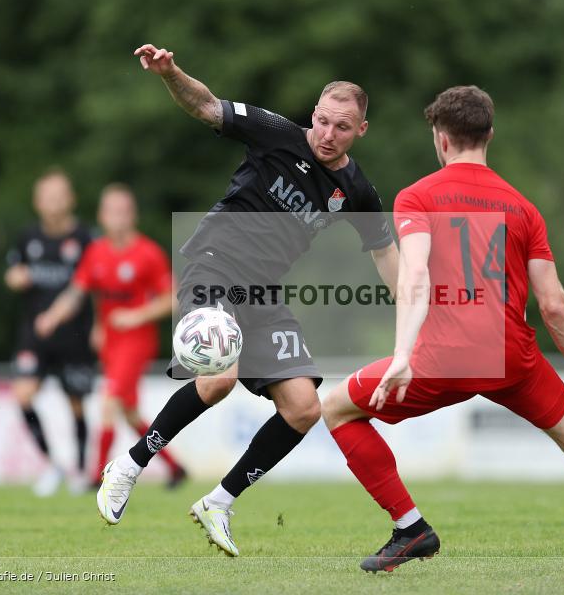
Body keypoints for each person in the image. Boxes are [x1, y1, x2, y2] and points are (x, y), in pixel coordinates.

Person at [322, 86, 564, 573]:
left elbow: (415, 276)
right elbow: (553, 303)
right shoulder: (522, 207)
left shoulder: (417, 196)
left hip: (442, 361)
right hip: (512, 360)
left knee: (336, 408)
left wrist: (403, 353)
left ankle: (411, 528)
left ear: (441, 139)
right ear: (489, 134)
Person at [94, 44, 399, 557]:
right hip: (213, 262)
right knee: (218, 376)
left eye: (341, 127)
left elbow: (385, 254)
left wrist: (418, 310)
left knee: (304, 407)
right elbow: (206, 105)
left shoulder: (357, 189)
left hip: (262, 291)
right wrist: (171, 73)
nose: (327, 134)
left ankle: (219, 501)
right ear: (313, 115)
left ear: (360, 131)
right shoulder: (275, 132)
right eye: (322, 121)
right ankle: (129, 465)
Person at [36, 183, 187, 488]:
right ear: (102, 217)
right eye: (110, 212)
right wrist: (55, 317)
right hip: (111, 342)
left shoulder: (147, 253)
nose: (116, 218)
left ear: (132, 216)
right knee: (129, 412)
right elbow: (80, 292)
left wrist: (136, 316)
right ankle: (175, 468)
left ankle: (97, 475)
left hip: (137, 341)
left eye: (122, 212)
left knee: (108, 403)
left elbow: (174, 298)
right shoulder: (96, 252)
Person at [5, 169, 95, 496]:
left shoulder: (86, 238)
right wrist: (17, 277)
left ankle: (80, 472)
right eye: (47, 197)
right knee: (23, 394)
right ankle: (52, 465)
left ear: (71, 199)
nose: (54, 203)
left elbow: (95, 287)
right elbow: (12, 273)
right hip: (35, 334)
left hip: (75, 334)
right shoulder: (28, 238)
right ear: (37, 202)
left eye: (59, 196)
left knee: (77, 405)